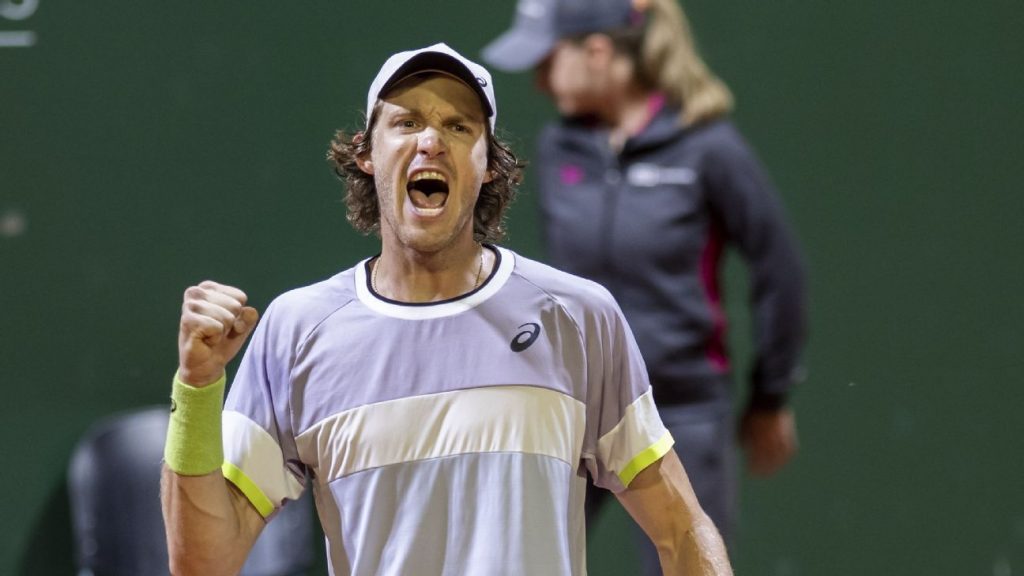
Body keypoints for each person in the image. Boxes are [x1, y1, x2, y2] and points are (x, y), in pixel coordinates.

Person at [160, 42, 732, 576]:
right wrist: (198, 385)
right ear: (366, 154)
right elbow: (203, 563)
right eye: (406, 123)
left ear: (488, 165)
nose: (431, 141)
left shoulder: (579, 318)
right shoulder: (297, 330)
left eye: (458, 127)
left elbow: (682, 530)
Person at [481, 0, 808, 570]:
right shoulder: (560, 149)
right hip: (572, 413)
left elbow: (779, 268)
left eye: (548, 60)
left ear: (598, 52)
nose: (537, 79)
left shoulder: (707, 148)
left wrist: (770, 395)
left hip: (680, 412)